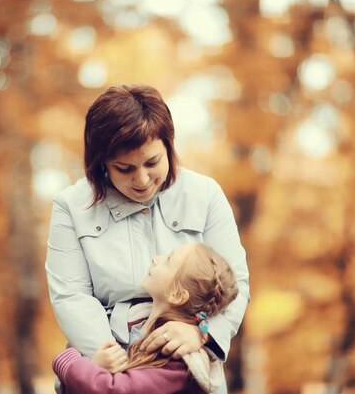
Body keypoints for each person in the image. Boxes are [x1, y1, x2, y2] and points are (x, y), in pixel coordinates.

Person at [45, 84, 249, 392]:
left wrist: (202, 333)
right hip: (103, 366)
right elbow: (71, 295)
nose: (141, 180)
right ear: (102, 163)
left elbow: (235, 284)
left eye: (152, 163)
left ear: (169, 147)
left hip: (182, 363)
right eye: (124, 168)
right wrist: (109, 362)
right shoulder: (70, 206)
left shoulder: (206, 195)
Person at [52, 242, 238, 394]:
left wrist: (70, 361)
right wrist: (94, 367)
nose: (155, 259)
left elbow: (112, 390)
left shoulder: (178, 361)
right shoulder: (134, 326)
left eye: (168, 260)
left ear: (177, 295)